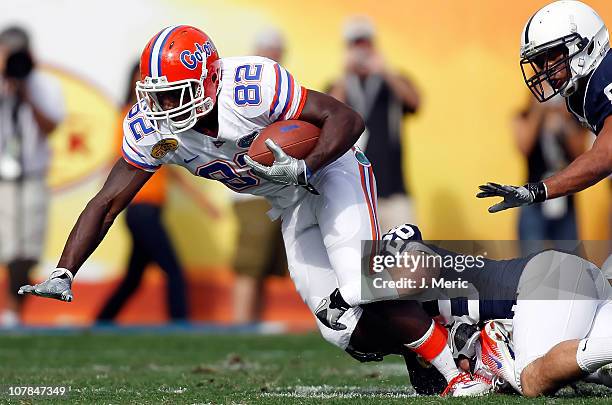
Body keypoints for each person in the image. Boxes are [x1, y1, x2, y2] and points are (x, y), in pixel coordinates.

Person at [17, 26, 482, 396]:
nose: (162, 107)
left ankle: (459, 370)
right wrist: (65, 269)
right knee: (342, 329)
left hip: (331, 172)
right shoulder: (152, 128)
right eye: (156, 94)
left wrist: (305, 165)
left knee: (360, 280)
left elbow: (347, 119)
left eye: (175, 93)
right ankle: (425, 338)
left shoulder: (251, 87)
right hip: (288, 200)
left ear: (211, 80)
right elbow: (107, 201)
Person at [347, 223, 612, 398]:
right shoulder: (425, 369)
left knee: (530, 380)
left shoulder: (383, 268)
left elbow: (419, 271)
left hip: (548, 282)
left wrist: (350, 293)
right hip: (568, 295)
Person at [97, 62, 219, 323]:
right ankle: (180, 324)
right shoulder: (130, 118)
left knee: (134, 278)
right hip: (141, 208)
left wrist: (203, 202)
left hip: (150, 209)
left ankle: (101, 321)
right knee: (173, 270)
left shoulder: (160, 122)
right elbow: (119, 160)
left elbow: (173, 167)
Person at [477, 0, 612, 213]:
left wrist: (537, 191)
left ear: (586, 44)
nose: (547, 69)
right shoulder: (579, 97)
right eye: (540, 61)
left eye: (554, 54)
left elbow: (604, 156)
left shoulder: (605, 77)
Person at [328, 16, 420, 232]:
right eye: (355, 44)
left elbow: (415, 101)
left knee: (407, 258)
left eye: (365, 43)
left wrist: (385, 70)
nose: (361, 51)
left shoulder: (392, 82)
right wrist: (345, 74)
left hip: (394, 190)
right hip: (354, 194)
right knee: (361, 261)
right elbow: (329, 113)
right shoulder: (340, 85)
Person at [0, 26, 65, 327]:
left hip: (33, 176)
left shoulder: (44, 85)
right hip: (3, 178)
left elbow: (51, 127)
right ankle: (10, 309)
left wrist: (26, 93)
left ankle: (14, 311)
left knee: (26, 251)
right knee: (7, 247)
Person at [231, 27, 288, 324]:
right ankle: (241, 325)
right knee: (250, 263)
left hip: (276, 187)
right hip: (250, 186)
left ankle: (254, 325)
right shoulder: (247, 89)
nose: (272, 55)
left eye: (276, 50)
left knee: (266, 265)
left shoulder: (280, 87)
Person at [513, 92, 587, 254]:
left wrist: (565, 118)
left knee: (571, 261)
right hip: (533, 199)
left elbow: (581, 152)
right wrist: (539, 111)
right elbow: (523, 146)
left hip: (565, 200)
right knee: (530, 260)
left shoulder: (571, 115)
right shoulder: (524, 115)